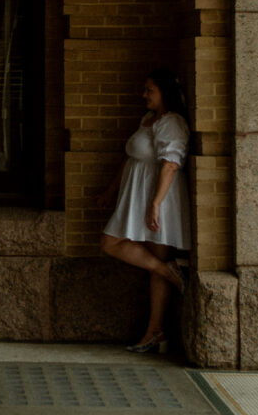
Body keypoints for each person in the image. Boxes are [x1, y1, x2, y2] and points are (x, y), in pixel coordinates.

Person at [97, 67, 190, 353]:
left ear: (164, 92)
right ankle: (170, 273)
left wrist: (155, 204)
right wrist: (111, 192)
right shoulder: (149, 119)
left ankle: (155, 332)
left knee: (115, 244)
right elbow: (130, 159)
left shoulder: (172, 122)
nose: (144, 94)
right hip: (138, 194)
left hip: (158, 197)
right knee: (123, 249)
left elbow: (171, 164)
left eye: (150, 89)